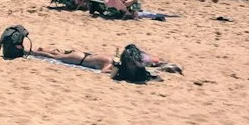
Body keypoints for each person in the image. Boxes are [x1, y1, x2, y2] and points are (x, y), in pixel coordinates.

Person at [26, 44, 181, 76]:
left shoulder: (114, 60)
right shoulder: (111, 62)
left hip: (83, 55)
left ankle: (43, 49)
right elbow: (104, 71)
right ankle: (32, 51)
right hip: (80, 59)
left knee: (57, 54)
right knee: (55, 57)